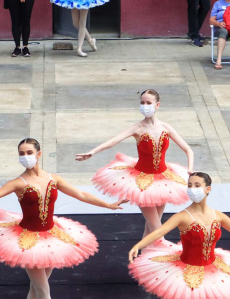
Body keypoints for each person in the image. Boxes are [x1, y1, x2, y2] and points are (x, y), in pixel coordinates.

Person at [0, 138, 126, 299]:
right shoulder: (18, 183)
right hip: (29, 240)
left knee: (36, 289)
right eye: (21, 153)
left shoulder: (53, 179)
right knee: (43, 289)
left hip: (51, 238)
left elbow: (81, 194)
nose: (25, 156)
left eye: (29, 152)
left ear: (39, 154)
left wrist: (108, 204)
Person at [79, 89, 193, 239]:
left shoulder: (166, 127)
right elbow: (113, 141)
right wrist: (92, 152)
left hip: (163, 180)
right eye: (142, 102)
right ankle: (162, 251)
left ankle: (144, 252)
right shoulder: (137, 128)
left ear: (157, 105)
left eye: (148, 103)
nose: (145, 106)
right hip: (140, 181)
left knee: (152, 227)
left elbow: (188, 149)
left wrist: (190, 169)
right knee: (158, 230)